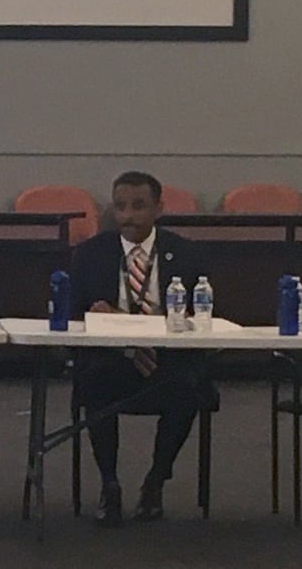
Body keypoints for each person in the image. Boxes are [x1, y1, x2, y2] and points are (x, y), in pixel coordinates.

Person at [60, 170, 215, 526]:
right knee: (93, 381)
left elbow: (203, 316)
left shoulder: (187, 255)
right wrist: (106, 324)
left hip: (167, 359)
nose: (128, 216)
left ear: (159, 208)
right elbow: (71, 319)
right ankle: (109, 484)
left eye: (139, 206)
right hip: (112, 359)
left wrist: (136, 321)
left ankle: (156, 480)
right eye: (120, 207)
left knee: (188, 389)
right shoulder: (89, 255)